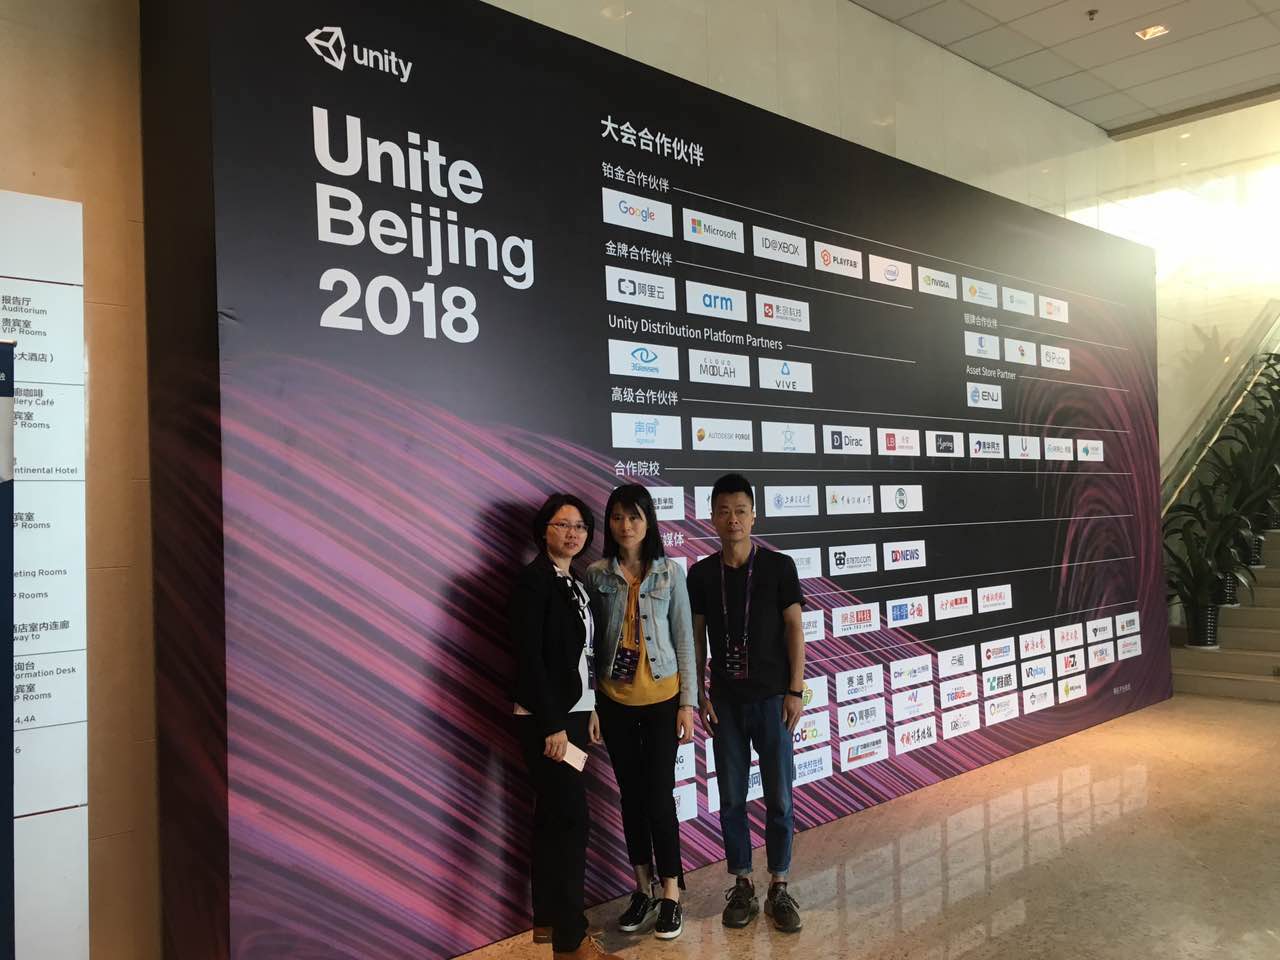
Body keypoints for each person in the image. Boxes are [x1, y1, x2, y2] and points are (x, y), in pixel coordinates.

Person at [687, 473, 806, 934]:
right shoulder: (701, 574)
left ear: (754, 515)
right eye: (724, 511)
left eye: (740, 510)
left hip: (774, 699)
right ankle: (742, 884)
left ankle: (779, 885)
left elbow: (794, 628)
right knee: (732, 799)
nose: (732, 519)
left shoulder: (779, 567)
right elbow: (696, 638)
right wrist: (700, 695)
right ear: (712, 517)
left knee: (780, 797)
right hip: (726, 703)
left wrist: (795, 690)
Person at [509, 493, 621, 960]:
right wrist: (553, 723)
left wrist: (591, 706)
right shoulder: (533, 581)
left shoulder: (574, 582)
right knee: (571, 821)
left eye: (580, 526)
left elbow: (582, 655)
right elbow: (529, 659)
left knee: (555, 821)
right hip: (546, 720)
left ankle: (552, 926)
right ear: (543, 530)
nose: (573, 533)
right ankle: (571, 940)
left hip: (574, 715)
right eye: (563, 524)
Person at [585, 485, 697, 941]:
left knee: (659, 796)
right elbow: (587, 647)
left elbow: (685, 639)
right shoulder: (596, 575)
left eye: (634, 517)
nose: (625, 526)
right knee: (630, 797)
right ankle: (642, 889)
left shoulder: (670, 573)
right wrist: (591, 702)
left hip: (663, 701)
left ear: (648, 521)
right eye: (617, 517)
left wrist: (687, 702)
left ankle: (671, 893)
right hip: (614, 702)